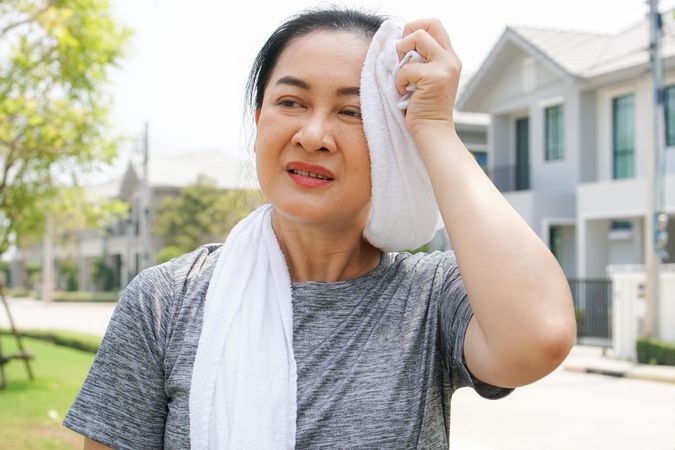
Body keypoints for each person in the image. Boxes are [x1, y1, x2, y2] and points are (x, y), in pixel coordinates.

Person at [64, 7, 577, 449]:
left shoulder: (430, 298)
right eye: (291, 102)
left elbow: (540, 335)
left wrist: (435, 129)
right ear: (260, 116)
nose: (313, 136)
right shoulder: (165, 302)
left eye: (352, 112)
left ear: (391, 141)